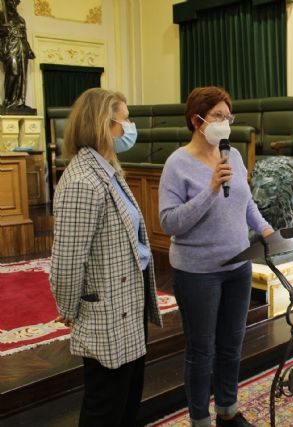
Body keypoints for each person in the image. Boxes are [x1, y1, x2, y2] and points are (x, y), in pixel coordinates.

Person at [159, 86, 273, 427]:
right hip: (198, 272)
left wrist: (268, 232)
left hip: (238, 265)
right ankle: (199, 419)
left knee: (230, 346)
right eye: (217, 117)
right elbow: (169, 222)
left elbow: (246, 203)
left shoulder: (233, 156)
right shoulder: (177, 164)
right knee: (201, 351)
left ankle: (228, 411)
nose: (225, 123)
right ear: (197, 121)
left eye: (228, 117)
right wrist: (209, 190)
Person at [50, 88, 161, 426]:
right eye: (125, 120)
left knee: (127, 400)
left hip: (128, 302)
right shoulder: (83, 180)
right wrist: (69, 309)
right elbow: (67, 260)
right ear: (104, 123)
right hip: (106, 310)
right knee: (105, 407)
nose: (130, 127)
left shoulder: (108, 169)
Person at [0, 0, 36, 112]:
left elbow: (24, 36)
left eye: (16, 1)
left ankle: (20, 102)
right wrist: (3, 30)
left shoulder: (21, 19)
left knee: (22, 76)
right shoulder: (1, 16)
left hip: (22, 47)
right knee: (13, 72)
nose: (14, 3)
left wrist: (29, 49)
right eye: (11, 1)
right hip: (10, 46)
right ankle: (7, 100)